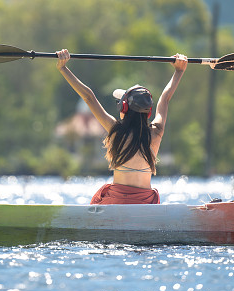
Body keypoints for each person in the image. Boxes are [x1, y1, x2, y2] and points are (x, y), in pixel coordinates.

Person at [56, 49, 188, 204]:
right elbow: (165, 99)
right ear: (148, 111)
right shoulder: (156, 132)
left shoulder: (115, 130)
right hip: (145, 203)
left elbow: (89, 97)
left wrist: (63, 68)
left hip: (117, 201)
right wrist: (179, 71)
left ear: (123, 107)